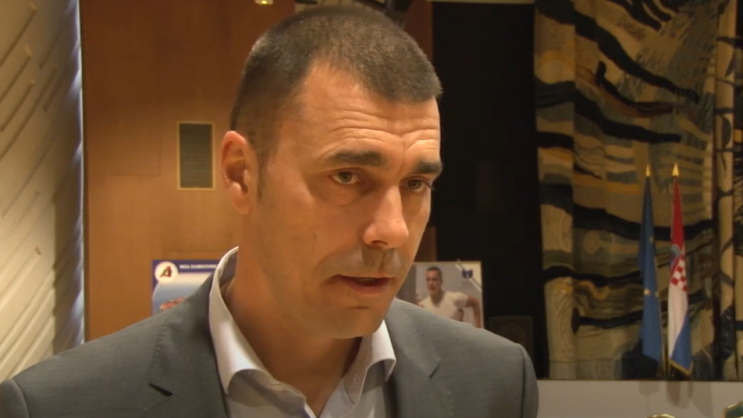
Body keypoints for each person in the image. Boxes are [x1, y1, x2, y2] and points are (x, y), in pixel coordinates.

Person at [0, 6, 538, 418]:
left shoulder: (493, 383)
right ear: (242, 174)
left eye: (416, 184)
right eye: (347, 177)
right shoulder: (62, 406)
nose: (392, 231)